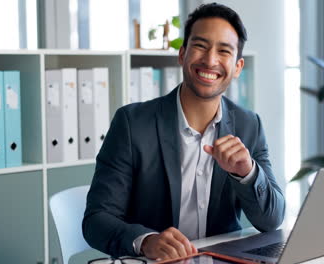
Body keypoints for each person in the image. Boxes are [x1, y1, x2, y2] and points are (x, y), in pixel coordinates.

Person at [82, 2, 285, 261]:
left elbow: (272, 220)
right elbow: (96, 220)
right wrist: (147, 241)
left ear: (237, 67)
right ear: (182, 54)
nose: (210, 60)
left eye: (224, 51)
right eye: (200, 46)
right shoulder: (132, 123)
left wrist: (247, 173)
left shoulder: (249, 125)